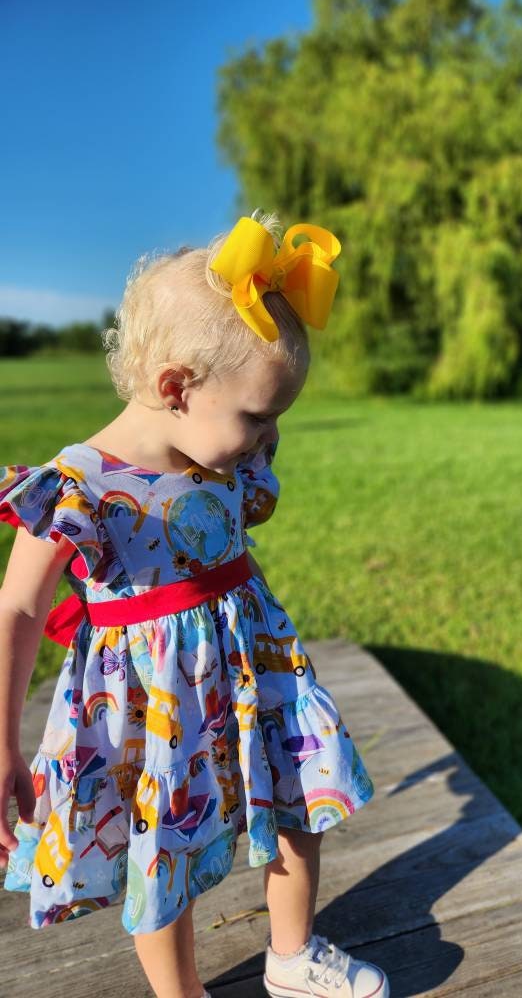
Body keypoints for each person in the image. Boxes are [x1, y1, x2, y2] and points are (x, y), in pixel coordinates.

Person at [0, 210, 389, 998]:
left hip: (254, 676)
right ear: (176, 387)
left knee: (296, 800)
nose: (264, 440)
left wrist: (245, 435)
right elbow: (16, 609)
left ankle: (290, 953)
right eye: (256, 417)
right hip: (152, 710)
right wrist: (3, 739)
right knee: (160, 859)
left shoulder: (218, 453)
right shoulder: (79, 487)